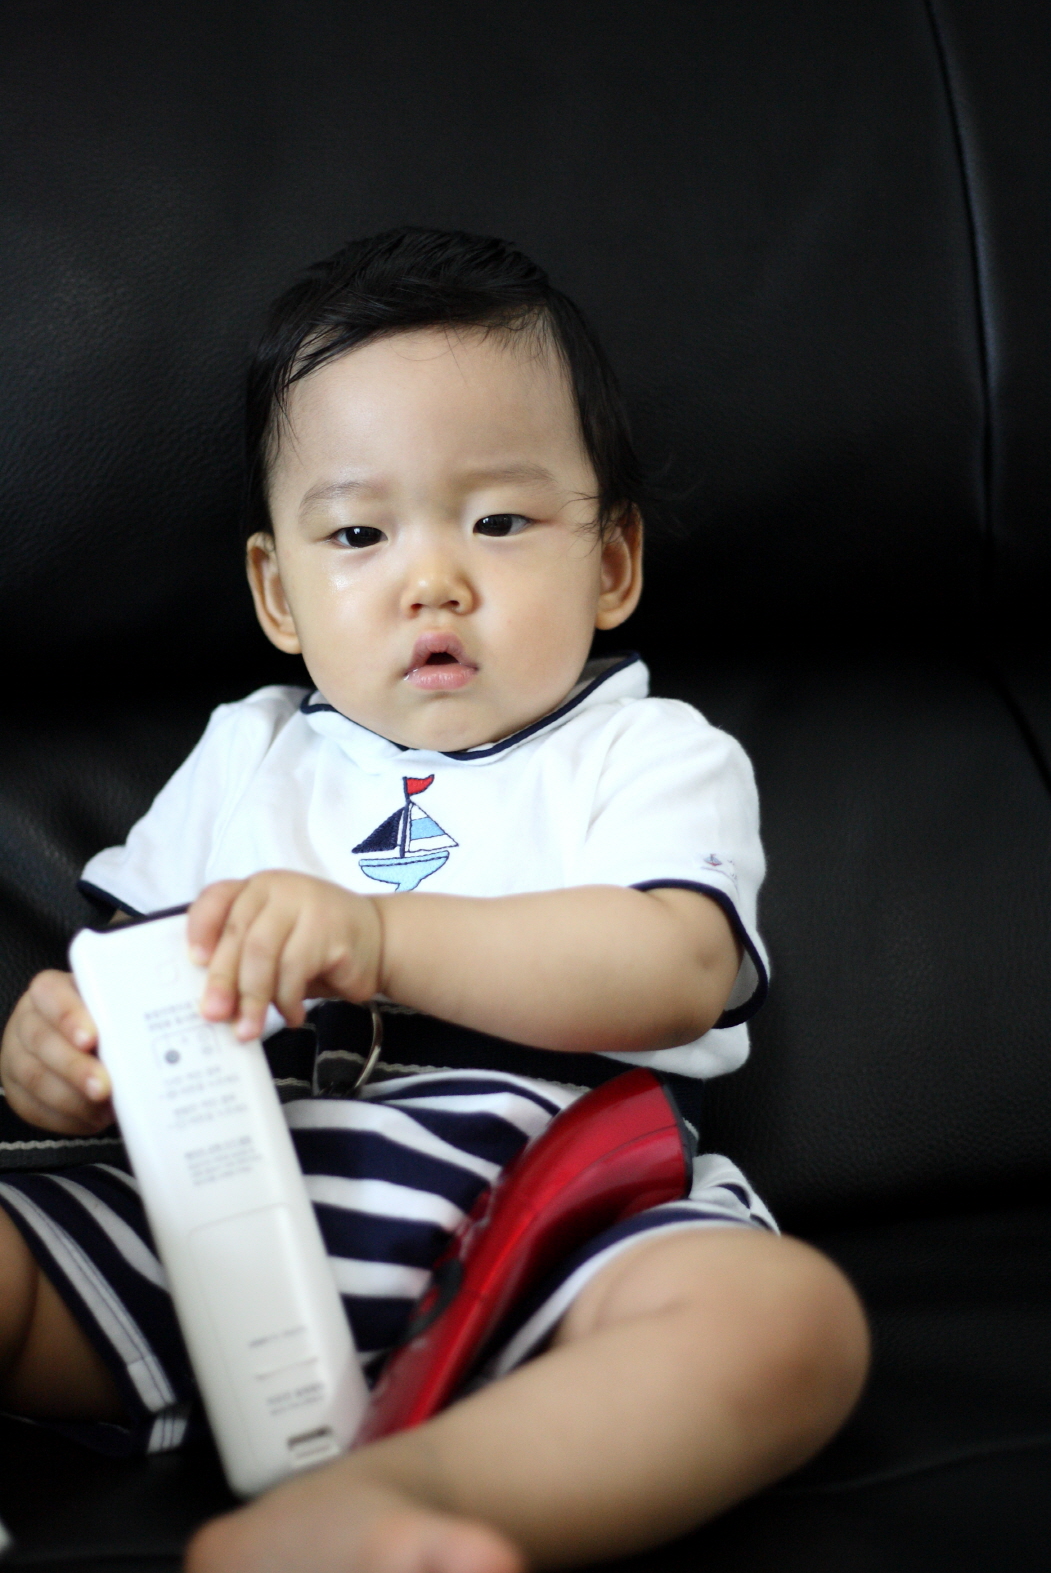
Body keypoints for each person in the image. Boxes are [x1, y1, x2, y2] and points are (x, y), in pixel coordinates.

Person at [0, 228, 868, 1573]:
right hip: (227, 1217)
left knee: (786, 1322)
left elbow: (676, 966)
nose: (433, 579)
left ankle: (401, 1499)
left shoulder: (649, 752)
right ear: (279, 593)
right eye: (359, 533)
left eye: (500, 522)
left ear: (613, 564)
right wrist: (56, 1054)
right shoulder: (250, 754)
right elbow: (121, 985)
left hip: (555, 1222)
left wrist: (380, 936)